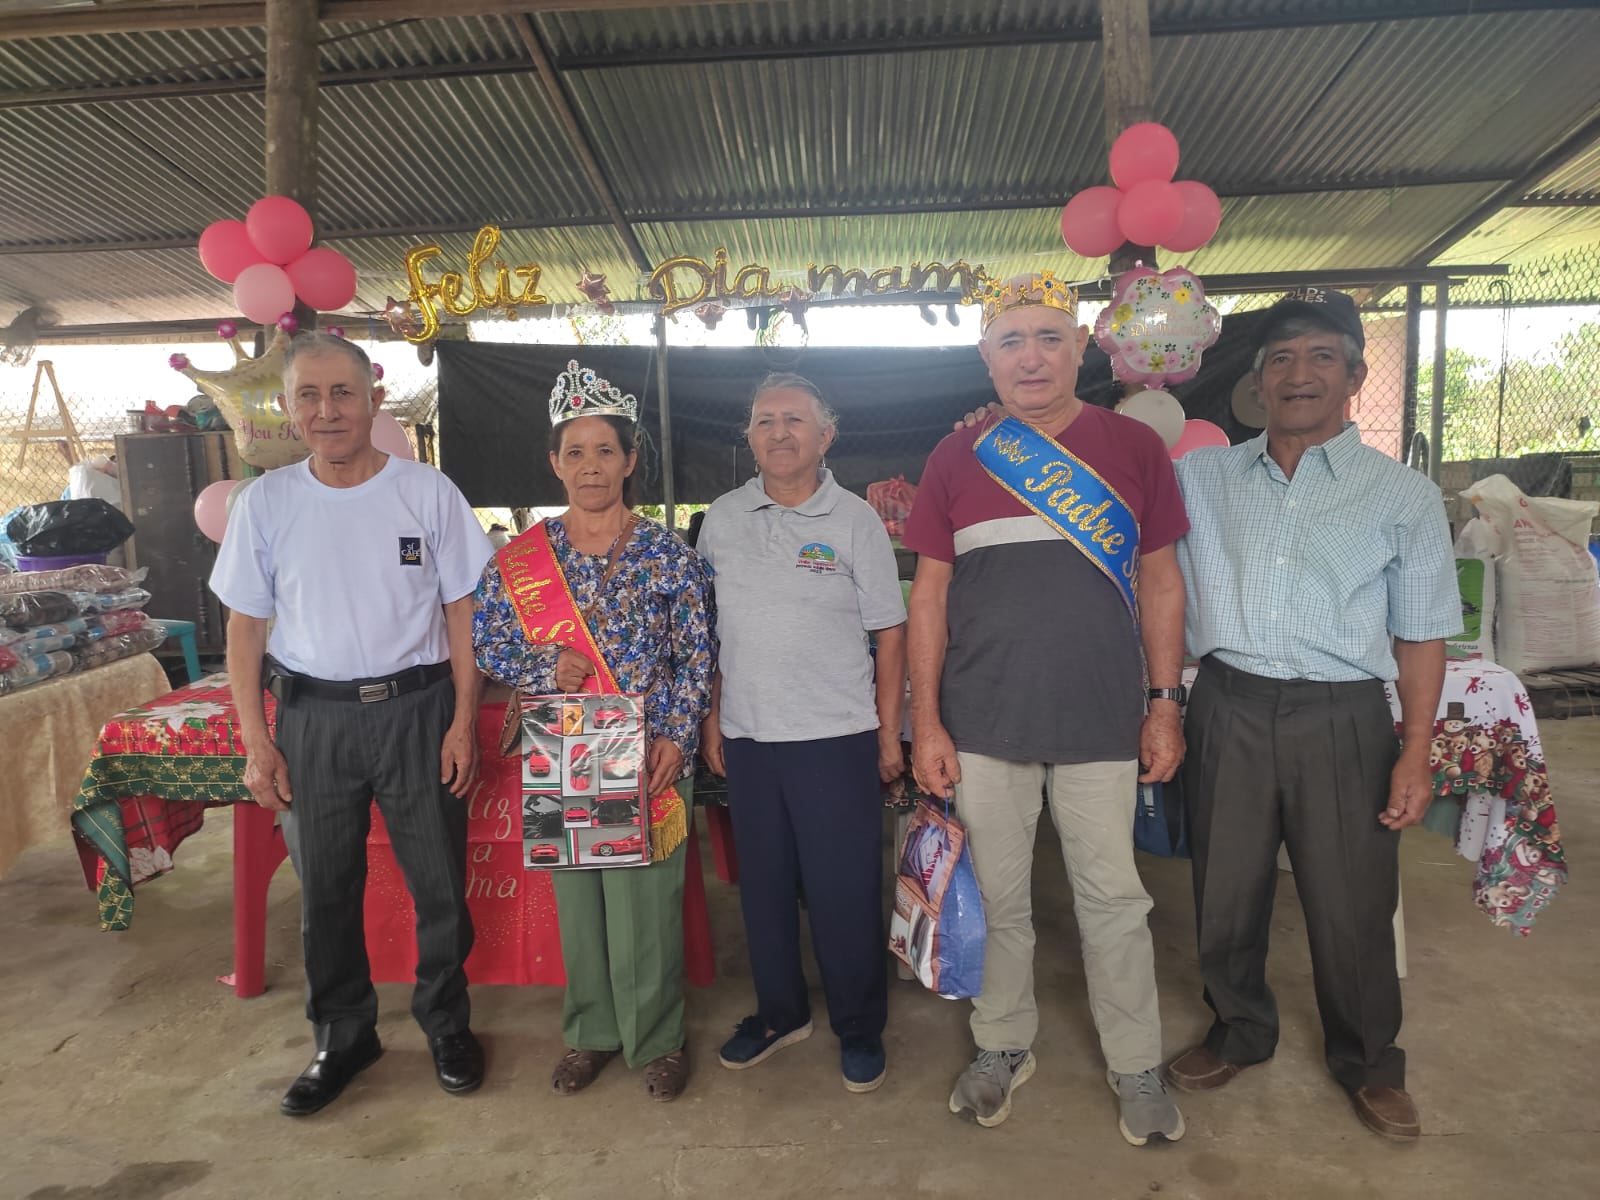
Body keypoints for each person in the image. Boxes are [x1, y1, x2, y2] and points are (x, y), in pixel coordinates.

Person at [1167, 287, 1459, 1141]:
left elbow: (1422, 633)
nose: (1300, 374)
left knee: (1351, 899)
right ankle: (1239, 1028)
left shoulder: (1402, 495)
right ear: (1258, 381)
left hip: (1342, 716)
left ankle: (1368, 1061)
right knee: (1225, 887)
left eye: (1322, 357)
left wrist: (1415, 750)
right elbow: (1119, 519)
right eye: (1282, 359)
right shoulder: (1201, 478)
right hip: (1228, 703)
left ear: (1355, 377)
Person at [903, 271, 1189, 1144]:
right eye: (1012, 341)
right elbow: (928, 598)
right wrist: (928, 723)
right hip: (984, 719)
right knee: (997, 897)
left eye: (1049, 338)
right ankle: (1002, 1044)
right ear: (986, 357)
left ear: (1080, 349)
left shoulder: (1133, 448)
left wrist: (1164, 705)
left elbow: (1162, 581)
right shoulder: (957, 457)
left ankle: (1136, 1060)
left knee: (1114, 899)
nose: (1031, 358)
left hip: (1103, 716)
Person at [211, 330, 492, 1118]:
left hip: (418, 712)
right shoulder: (265, 503)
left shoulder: (426, 492)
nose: (327, 410)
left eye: (343, 393)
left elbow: (464, 612)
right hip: (313, 722)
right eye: (309, 395)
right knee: (326, 890)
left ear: (375, 399)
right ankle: (342, 1035)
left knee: (439, 884)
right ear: (289, 407)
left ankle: (446, 1025)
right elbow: (244, 629)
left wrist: (463, 721)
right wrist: (258, 741)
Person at [472, 360, 715, 1103]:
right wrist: (546, 661)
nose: (590, 466)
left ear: (630, 460)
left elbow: (696, 656)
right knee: (580, 908)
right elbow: (489, 644)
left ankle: (658, 1039)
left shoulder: (669, 556)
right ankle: (591, 1033)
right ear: (555, 463)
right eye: (574, 452)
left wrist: (677, 734)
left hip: (648, 749)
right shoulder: (521, 562)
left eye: (605, 450)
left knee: (647, 907)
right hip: (565, 746)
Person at [698, 373, 907, 1093]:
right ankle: (780, 1013)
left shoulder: (854, 519)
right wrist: (712, 718)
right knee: (763, 890)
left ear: (826, 435)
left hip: (835, 736)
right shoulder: (721, 518)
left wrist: (888, 734)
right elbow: (707, 632)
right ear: (750, 437)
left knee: (844, 889)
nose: (779, 432)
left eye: (794, 419)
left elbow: (889, 631)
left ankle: (859, 1024)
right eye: (764, 420)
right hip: (749, 737)